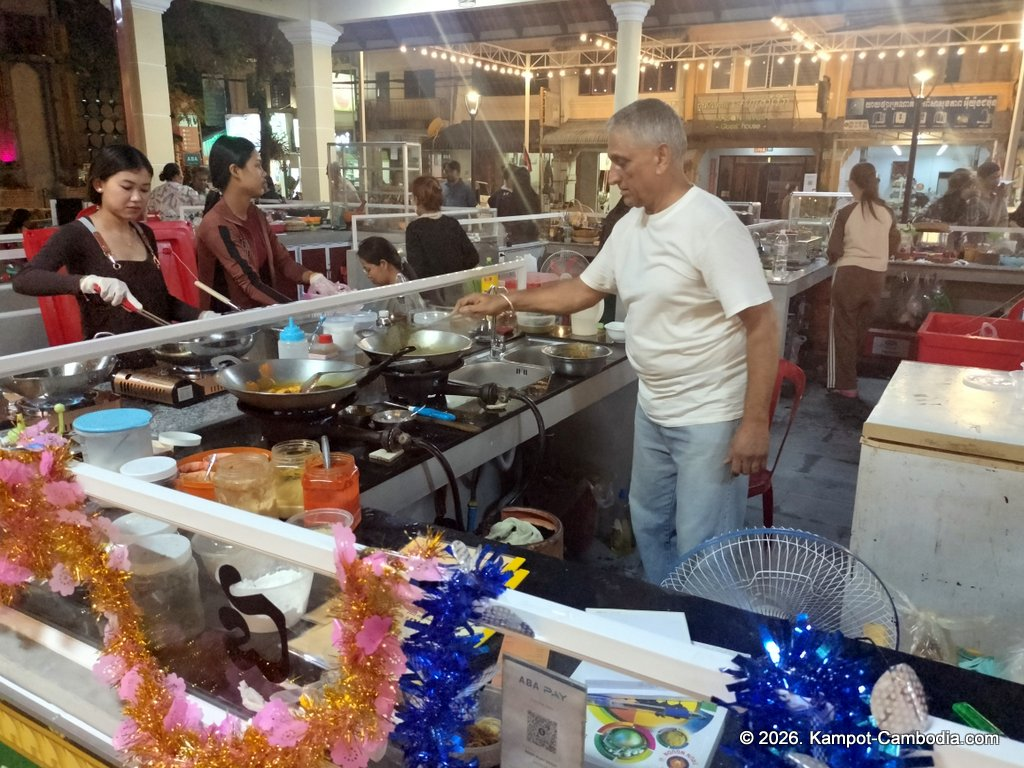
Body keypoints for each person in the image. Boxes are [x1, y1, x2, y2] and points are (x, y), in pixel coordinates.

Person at [455, 98, 777, 585]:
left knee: (703, 546)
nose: (612, 176)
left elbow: (763, 325)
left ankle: (704, 627)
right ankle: (665, 614)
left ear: (662, 156)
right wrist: (505, 299)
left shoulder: (711, 226)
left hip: (709, 416)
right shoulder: (630, 227)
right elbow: (583, 290)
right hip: (654, 410)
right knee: (649, 526)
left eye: (622, 162)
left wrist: (754, 424)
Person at [13, 145, 199, 341]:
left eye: (144, 189)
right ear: (99, 184)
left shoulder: (144, 233)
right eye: (126, 187)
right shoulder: (76, 233)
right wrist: (86, 282)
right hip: (110, 355)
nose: (137, 197)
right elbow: (25, 279)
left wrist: (201, 317)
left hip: (159, 350)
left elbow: (159, 302)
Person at [196, 135, 340, 311]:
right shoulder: (216, 224)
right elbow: (249, 283)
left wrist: (314, 277)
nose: (264, 173)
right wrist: (295, 309)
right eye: (257, 165)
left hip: (262, 314)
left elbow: (284, 262)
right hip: (230, 321)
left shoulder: (256, 215)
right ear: (235, 171)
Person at [826, 162, 899, 400]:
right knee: (859, 330)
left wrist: (832, 259)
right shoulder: (887, 212)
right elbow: (894, 245)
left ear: (851, 183)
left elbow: (833, 249)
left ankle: (843, 384)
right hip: (876, 277)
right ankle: (851, 378)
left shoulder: (845, 212)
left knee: (843, 331)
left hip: (849, 276)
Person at [405, 174, 479, 305]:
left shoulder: (414, 229)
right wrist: (454, 271)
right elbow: (473, 257)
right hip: (457, 294)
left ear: (416, 199)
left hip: (431, 299)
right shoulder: (452, 223)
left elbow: (417, 270)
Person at [357, 235, 426, 320]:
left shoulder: (401, 299)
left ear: (383, 264)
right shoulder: (397, 287)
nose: (368, 275)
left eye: (368, 269)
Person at [916, 168, 985, 226]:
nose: (973, 189)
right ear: (963, 188)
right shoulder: (939, 201)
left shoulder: (969, 204)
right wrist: (936, 223)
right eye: (971, 187)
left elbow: (970, 225)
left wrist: (974, 199)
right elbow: (917, 219)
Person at [976, 160, 1009, 227]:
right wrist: (999, 199)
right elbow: (989, 226)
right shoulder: (976, 200)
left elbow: (1004, 219)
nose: (997, 181)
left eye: (998, 177)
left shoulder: (996, 197)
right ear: (981, 179)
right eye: (993, 178)